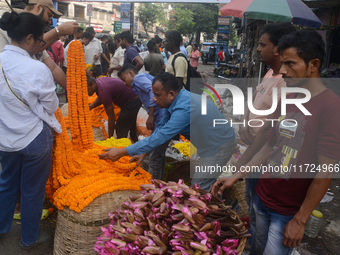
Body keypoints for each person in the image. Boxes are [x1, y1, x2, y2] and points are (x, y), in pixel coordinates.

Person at [212, 30, 340, 255]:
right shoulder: (287, 98)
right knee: (256, 249)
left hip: (287, 210)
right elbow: (270, 146)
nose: (282, 71)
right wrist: (237, 175)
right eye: (282, 63)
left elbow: (325, 171)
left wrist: (300, 220)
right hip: (263, 195)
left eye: (290, 64)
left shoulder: (331, 107)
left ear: (314, 64)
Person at [99, 72, 236, 191]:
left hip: (219, 146)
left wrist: (122, 151)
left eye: (157, 95)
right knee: (203, 183)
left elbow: (160, 136)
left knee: (198, 187)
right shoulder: (176, 101)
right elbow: (161, 129)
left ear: (171, 94)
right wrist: (143, 152)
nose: (153, 99)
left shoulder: (184, 108)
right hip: (209, 146)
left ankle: (218, 210)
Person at [229, 22, 296, 254]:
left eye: (262, 44)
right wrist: (246, 122)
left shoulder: (285, 83)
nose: (258, 49)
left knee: (261, 209)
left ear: (277, 49)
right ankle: (255, 243)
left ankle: (258, 246)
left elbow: (274, 130)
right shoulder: (269, 73)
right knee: (252, 204)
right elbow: (258, 102)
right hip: (253, 149)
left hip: (265, 156)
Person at [0, 11, 61, 248]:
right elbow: (52, 105)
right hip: (34, 140)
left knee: (6, 184)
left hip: (4, 140)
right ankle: (28, 239)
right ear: (29, 39)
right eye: (40, 41)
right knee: (32, 191)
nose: (41, 46)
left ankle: (3, 228)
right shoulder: (37, 69)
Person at [0, 0, 79, 91]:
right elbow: (7, 69)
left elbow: (53, 68)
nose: (50, 22)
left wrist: (75, 93)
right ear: (38, 8)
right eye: (49, 15)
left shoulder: (35, 39)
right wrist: (58, 31)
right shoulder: (7, 27)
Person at [118, 64, 167, 179]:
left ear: (131, 74)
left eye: (124, 79)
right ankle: (160, 183)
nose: (124, 83)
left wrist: (150, 115)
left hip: (160, 118)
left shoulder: (138, 79)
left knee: (155, 156)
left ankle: (153, 187)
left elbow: (152, 90)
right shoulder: (139, 81)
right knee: (158, 154)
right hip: (160, 118)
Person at [87, 75, 142, 142]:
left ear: (92, 84)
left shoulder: (103, 90)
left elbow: (111, 116)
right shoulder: (98, 82)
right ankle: (135, 144)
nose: (87, 92)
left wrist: (110, 139)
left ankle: (121, 147)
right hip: (132, 100)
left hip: (132, 102)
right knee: (131, 124)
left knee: (120, 127)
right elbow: (101, 97)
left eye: (87, 89)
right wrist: (92, 106)